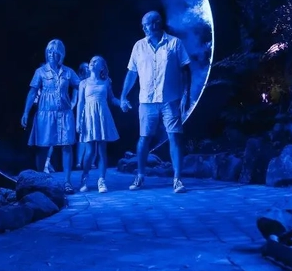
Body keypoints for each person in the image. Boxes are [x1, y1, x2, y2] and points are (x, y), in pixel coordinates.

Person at [119, 11, 192, 193]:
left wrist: (186, 94)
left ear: (157, 23)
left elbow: (185, 70)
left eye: (147, 24)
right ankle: (140, 176)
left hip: (170, 99)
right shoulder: (139, 46)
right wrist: (123, 95)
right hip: (147, 100)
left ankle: (177, 180)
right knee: (144, 138)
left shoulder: (174, 43)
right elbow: (132, 72)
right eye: (143, 25)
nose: (144, 28)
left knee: (175, 136)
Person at [21, 39, 81, 194]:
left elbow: (80, 86)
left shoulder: (68, 72)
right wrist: (26, 112)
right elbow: (32, 91)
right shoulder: (40, 72)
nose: (52, 55)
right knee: (43, 147)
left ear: (60, 54)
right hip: (45, 114)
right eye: (49, 52)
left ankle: (67, 182)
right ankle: (40, 181)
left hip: (64, 114)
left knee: (67, 146)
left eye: (55, 52)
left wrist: (76, 101)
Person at [76, 56, 121, 193]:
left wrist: (122, 103)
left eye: (96, 61)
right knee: (89, 152)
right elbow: (80, 103)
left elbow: (112, 98)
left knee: (102, 151)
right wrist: (78, 121)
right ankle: (85, 177)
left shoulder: (106, 81)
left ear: (102, 67)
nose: (92, 62)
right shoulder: (83, 83)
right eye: (91, 60)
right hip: (89, 117)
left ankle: (101, 180)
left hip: (102, 116)